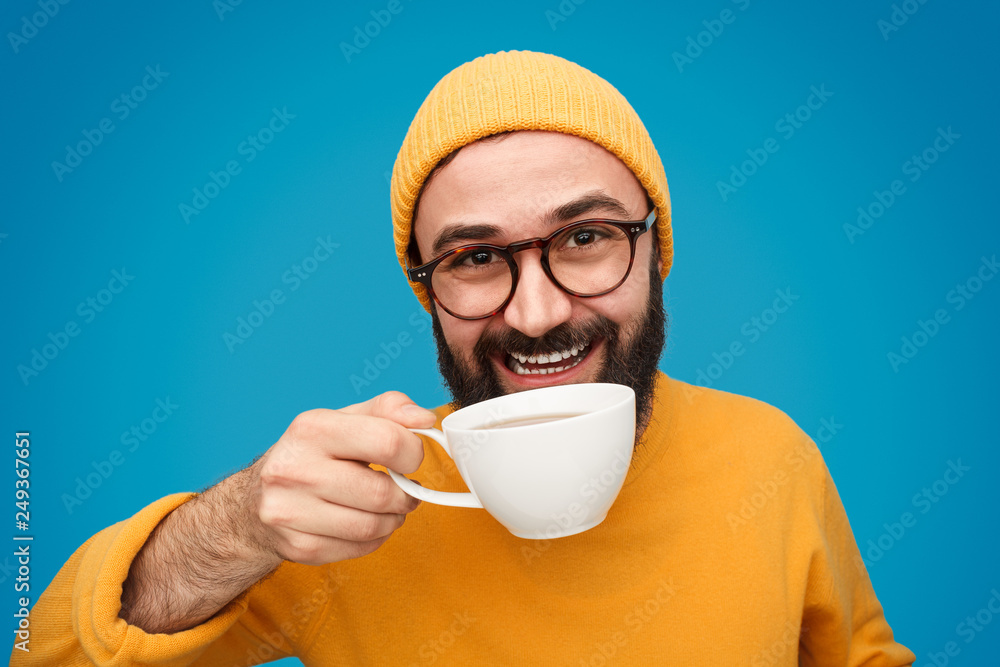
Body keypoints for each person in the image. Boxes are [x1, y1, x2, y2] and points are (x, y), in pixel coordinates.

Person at [13, 51, 916, 666]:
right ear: (426, 286)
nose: (536, 311)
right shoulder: (343, 507)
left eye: (587, 237)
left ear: (655, 249)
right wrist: (242, 522)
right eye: (476, 258)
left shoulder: (774, 456)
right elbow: (45, 654)